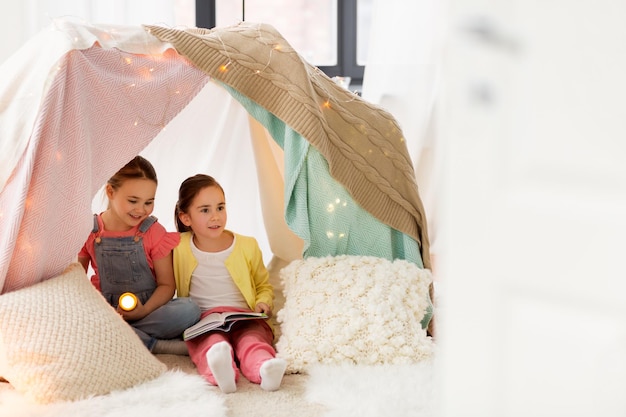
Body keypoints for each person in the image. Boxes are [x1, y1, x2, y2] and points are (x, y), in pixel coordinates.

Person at [173, 174, 287, 393]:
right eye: (205, 210)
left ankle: (265, 368)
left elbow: (263, 285)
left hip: (243, 315)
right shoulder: (178, 247)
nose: (215, 216)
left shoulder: (247, 245)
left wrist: (263, 302)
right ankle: (221, 372)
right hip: (205, 319)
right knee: (211, 343)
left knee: (252, 340)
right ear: (186, 218)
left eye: (220, 207)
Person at [78, 156, 200, 354]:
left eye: (148, 202)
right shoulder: (89, 230)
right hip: (106, 312)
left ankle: (120, 337)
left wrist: (143, 310)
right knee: (82, 319)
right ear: (110, 192)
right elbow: (77, 280)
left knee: (190, 309)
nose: (141, 210)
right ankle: (154, 344)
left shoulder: (152, 231)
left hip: (148, 311)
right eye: (133, 201)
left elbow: (167, 285)